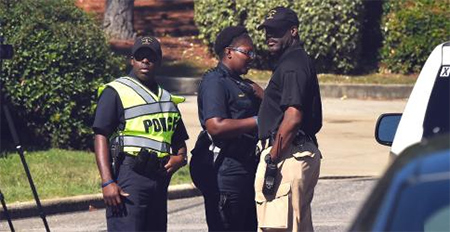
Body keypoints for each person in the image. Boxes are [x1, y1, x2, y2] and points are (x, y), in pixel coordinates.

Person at [93, 36, 189, 231]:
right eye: (140, 57)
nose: (145, 61)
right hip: (130, 177)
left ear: (159, 61)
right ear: (132, 60)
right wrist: (107, 181)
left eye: (151, 57)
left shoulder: (166, 98)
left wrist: (181, 158)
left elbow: (178, 139)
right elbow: (100, 135)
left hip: (159, 179)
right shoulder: (116, 91)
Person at [254, 6, 323, 232]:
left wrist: (272, 159)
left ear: (293, 31)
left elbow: (293, 117)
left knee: (277, 227)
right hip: (295, 151)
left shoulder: (292, 65)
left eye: (276, 31)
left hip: (287, 154)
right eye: (267, 31)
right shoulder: (295, 61)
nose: (269, 36)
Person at [190, 26, 264, 231]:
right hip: (225, 170)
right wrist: (258, 120)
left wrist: (264, 97)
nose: (252, 57)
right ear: (229, 52)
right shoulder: (215, 81)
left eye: (253, 53)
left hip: (245, 166)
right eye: (247, 52)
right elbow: (215, 126)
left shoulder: (242, 84)